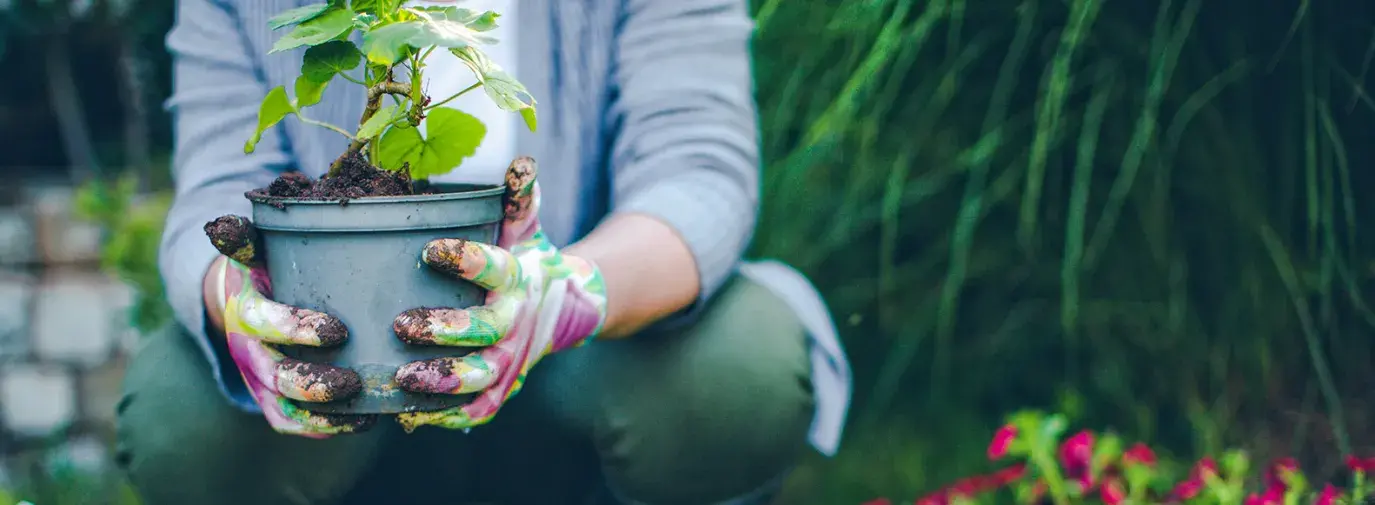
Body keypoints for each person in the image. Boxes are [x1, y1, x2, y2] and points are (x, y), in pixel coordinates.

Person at [115, 0, 852, 503]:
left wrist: (564, 294)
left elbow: (697, 173)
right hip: (343, 361)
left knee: (737, 366)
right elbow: (216, 189)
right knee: (180, 411)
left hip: (590, 354)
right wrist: (233, 303)